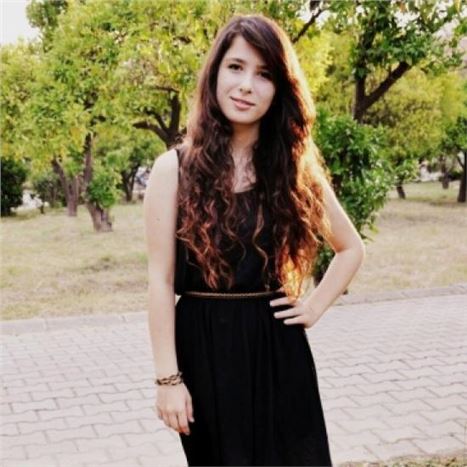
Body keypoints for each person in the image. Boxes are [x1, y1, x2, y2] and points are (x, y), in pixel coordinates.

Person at [143, 13, 365, 467]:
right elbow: (159, 281)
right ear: (215, 74)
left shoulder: (294, 169)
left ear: (280, 89)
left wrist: (313, 307)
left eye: (264, 74)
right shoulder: (173, 169)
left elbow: (351, 248)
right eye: (236, 67)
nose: (246, 85)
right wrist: (168, 380)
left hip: (278, 349)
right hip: (204, 352)